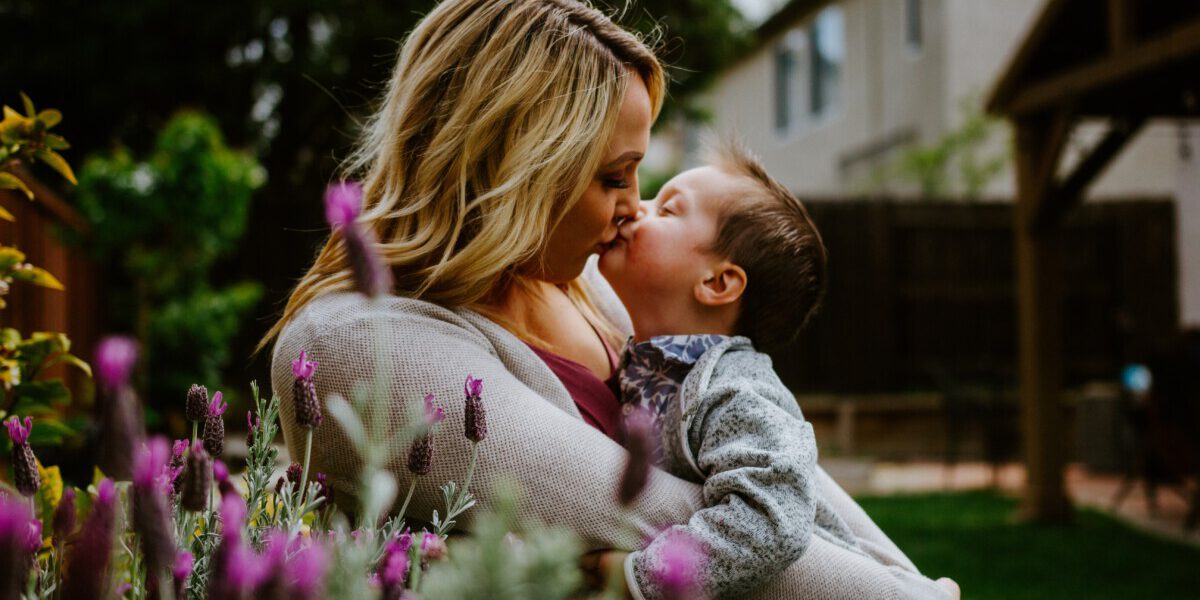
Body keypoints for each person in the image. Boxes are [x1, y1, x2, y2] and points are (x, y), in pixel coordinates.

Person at [264, 0, 958, 597]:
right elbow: (675, 520)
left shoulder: (590, 288)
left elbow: (788, 486)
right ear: (520, 166)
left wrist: (909, 581)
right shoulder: (358, 347)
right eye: (616, 177)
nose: (632, 209)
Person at [595, 139, 958, 599]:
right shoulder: (649, 366)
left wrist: (643, 577)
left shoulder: (733, 390)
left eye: (666, 209)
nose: (634, 209)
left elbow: (771, 519)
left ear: (717, 282)